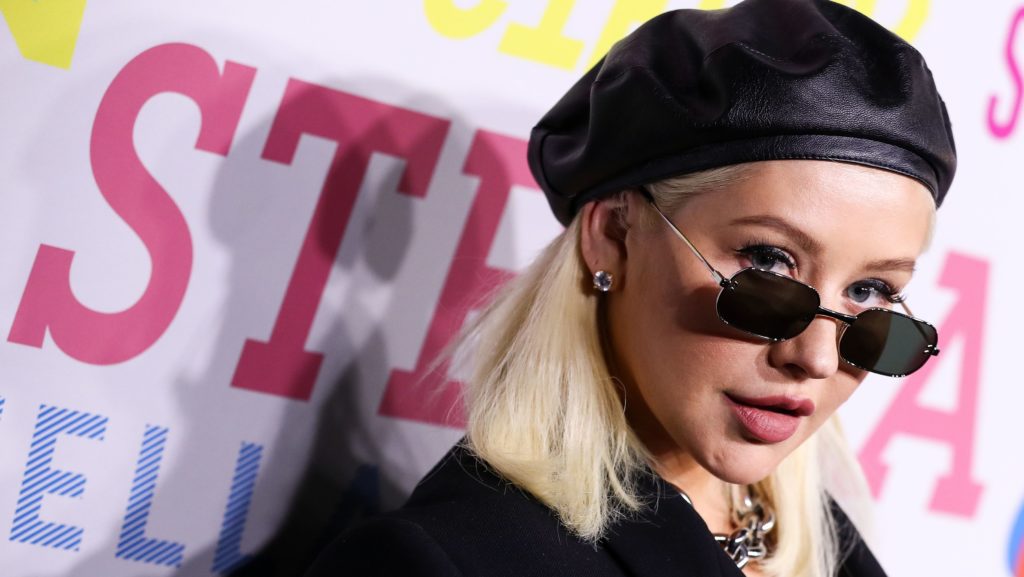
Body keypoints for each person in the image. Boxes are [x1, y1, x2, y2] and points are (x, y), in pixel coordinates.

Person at [305, 0, 956, 575]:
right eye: (769, 262)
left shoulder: (829, 551)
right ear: (614, 235)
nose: (815, 358)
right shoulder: (440, 561)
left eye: (870, 291)